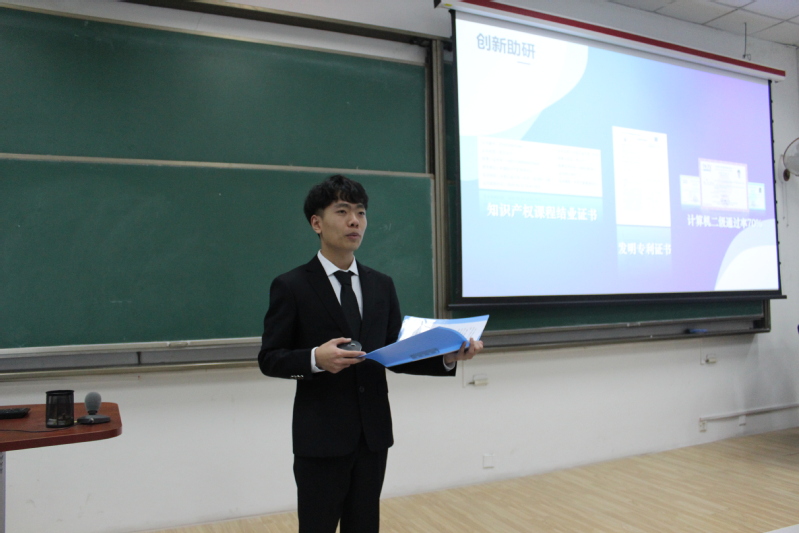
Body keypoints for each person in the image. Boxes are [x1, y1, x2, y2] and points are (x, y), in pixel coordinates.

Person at [258, 174, 483, 533]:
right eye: (342, 211)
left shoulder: (381, 284)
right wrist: (315, 359)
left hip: (373, 435)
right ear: (316, 223)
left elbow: (395, 352)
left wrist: (448, 357)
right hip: (321, 437)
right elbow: (270, 358)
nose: (354, 221)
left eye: (361, 213)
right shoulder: (292, 285)